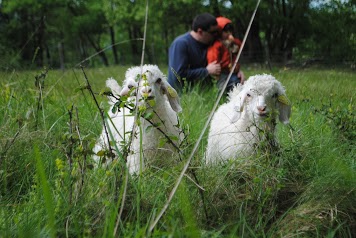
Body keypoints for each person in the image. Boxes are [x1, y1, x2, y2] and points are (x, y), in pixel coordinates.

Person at [168, 13, 221, 93]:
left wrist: (237, 71)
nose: (216, 35)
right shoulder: (181, 44)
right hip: (181, 96)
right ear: (200, 31)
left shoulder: (211, 43)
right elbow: (178, 74)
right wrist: (206, 71)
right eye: (213, 32)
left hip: (204, 95)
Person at [207, 16, 245, 94]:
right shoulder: (217, 45)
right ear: (219, 32)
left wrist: (233, 41)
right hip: (222, 74)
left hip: (233, 72)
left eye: (230, 31)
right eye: (226, 32)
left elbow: (239, 46)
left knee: (239, 85)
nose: (229, 34)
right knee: (222, 89)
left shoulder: (232, 43)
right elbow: (213, 58)